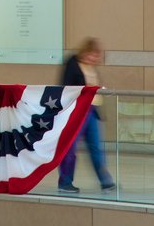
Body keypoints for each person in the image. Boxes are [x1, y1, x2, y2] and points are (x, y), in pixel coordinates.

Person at [57, 37, 116, 194]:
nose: (93, 59)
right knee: (70, 147)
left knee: (96, 146)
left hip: (92, 110)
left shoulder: (92, 68)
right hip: (77, 110)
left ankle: (105, 181)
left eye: (96, 57)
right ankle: (65, 181)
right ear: (85, 52)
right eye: (92, 55)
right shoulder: (73, 63)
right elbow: (66, 86)